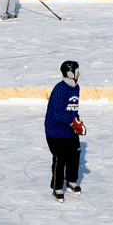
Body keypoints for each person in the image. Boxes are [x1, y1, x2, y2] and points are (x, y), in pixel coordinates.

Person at [42, 59, 83, 198]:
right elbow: (57, 113)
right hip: (55, 131)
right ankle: (57, 187)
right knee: (61, 158)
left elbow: (73, 108)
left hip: (70, 129)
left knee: (75, 155)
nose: (79, 74)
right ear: (70, 73)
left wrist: (77, 121)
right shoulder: (60, 89)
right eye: (77, 71)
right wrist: (72, 123)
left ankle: (71, 181)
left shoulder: (76, 87)